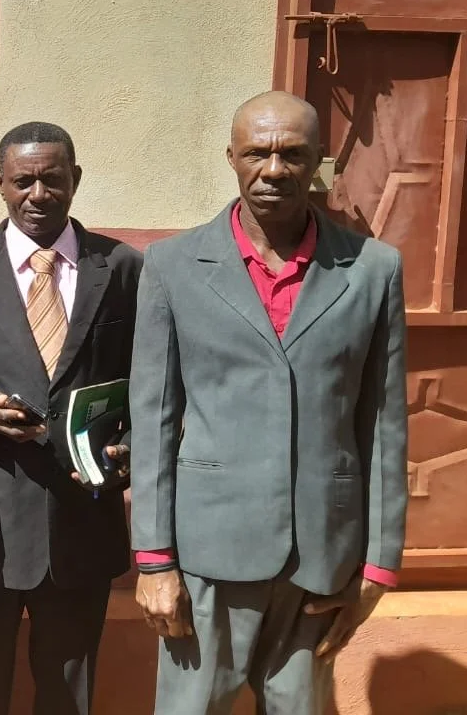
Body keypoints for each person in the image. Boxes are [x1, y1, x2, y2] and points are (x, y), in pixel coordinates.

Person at [129, 90, 408, 714]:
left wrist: (378, 565)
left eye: (293, 154)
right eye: (258, 153)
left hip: (322, 553)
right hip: (208, 553)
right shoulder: (173, 266)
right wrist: (153, 560)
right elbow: (153, 418)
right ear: (231, 157)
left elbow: (384, 423)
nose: (274, 170)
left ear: (319, 161)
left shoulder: (373, 269)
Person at [0, 121, 141, 715]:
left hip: (82, 522)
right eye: (23, 181)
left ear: (75, 179)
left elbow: (151, 380)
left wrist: (131, 444)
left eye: (52, 179)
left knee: (69, 693)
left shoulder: (123, 268)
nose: (38, 194)